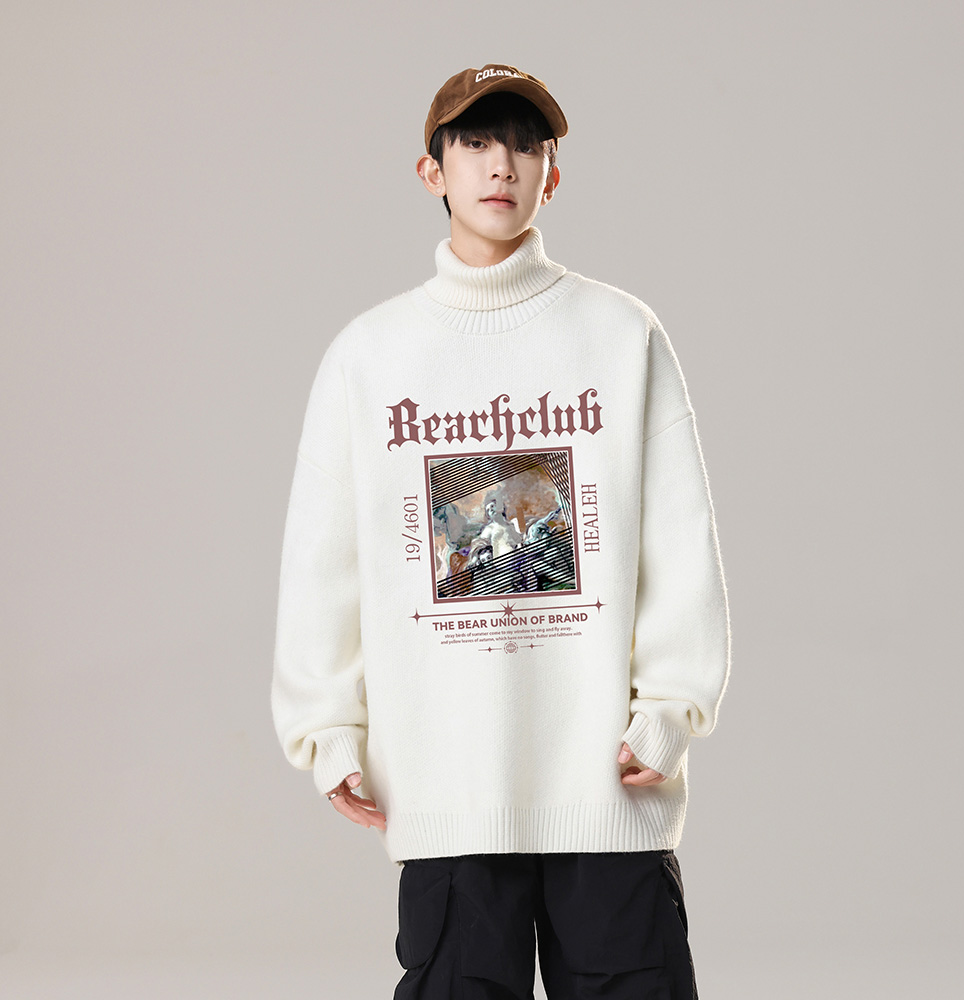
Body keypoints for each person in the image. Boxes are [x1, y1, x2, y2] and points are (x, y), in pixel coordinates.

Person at [271, 62, 732, 1000]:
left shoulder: (620, 334)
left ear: (552, 176)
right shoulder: (370, 356)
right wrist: (327, 729)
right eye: (477, 142)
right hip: (449, 785)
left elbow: (680, 541)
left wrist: (670, 710)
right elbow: (324, 559)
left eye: (526, 145)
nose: (502, 165)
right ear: (431, 171)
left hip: (607, 785)